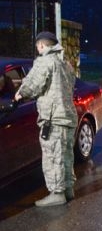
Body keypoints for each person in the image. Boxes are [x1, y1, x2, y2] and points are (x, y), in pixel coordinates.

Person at [14, 31, 77, 207]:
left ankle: (57, 193)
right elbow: (71, 85)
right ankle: (68, 189)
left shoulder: (44, 61)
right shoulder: (65, 64)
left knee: (52, 156)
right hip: (68, 117)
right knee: (65, 155)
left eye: (37, 46)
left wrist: (20, 94)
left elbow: (33, 85)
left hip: (53, 118)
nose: (37, 49)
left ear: (42, 45)